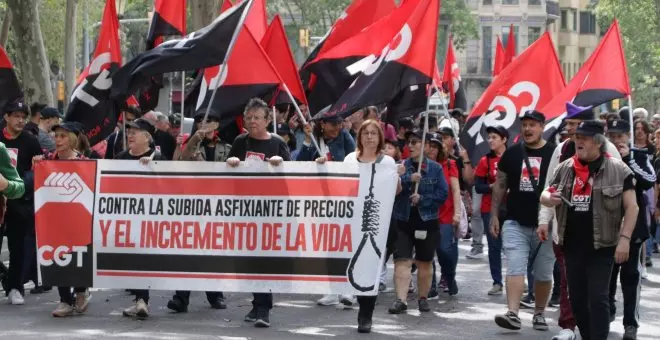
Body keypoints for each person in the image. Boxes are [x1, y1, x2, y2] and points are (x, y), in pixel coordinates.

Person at [540, 120, 638, 340]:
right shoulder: (565, 168)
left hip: (603, 245)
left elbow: (632, 207)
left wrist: (625, 239)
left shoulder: (619, 169)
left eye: (583, 138)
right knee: (577, 300)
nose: (578, 142)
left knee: (598, 297)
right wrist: (549, 199)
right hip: (572, 245)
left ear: (597, 142)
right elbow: (545, 194)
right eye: (577, 138)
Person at [321, 119, 401, 333]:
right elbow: (340, 187)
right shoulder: (350, 159)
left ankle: (366, 314)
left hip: (380, 225)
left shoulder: (388, 163)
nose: (369, 137)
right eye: (365, 132)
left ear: (380, 137)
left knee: (372, 269)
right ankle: (348, 293)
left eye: (374, 133)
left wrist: (398, 178)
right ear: (360, 136)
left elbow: (395, 192)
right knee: (354, 263)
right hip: (354, 222)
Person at [226, 98, 291, 328]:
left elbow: (292, 175)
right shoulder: (240, 142)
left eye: (257, 117)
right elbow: (228, 174)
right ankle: (256, 304)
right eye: (249, 117)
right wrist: (231, 162)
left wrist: (280, 164)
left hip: (270, 212)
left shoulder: (277, 143)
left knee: (265, 260)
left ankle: (264, 309)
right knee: (250, 262)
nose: (252, 121)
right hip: (245, 211)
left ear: (267, 120)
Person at [490, 110, 555, 332]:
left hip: (546, 225)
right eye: (524, 125)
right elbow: (500, 185)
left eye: (532, 125)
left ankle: (539, 313)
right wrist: (494, 216)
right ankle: (513, 313)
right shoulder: (511, 154)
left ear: (542, 127)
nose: (527, 129)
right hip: (515, 222)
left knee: (544, 273)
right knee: (515, 266)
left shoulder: (555, 154)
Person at [167, 109, 228, 312]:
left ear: (217, 125)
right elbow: (178, 165)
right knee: (188, 252)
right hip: (192, 206)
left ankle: (215, 295)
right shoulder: (190, 145)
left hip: (218, 207)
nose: (206, 125)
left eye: (210, 121)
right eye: (201, 121)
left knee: (213, 253)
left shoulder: (227, 148)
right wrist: (193, 140)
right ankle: (181, 298)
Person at [32, 122, 90, 317]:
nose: (57, 140)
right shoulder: (47, 160)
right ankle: (65, 299)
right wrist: (36, 163)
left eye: (62, 136)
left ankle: (81, 291)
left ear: (72, 139)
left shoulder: (84, 161)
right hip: (55, 219)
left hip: (78, 218)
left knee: (78, 255)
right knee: (57, 256)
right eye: (56, 136)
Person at [388, 128, 448, 315]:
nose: (411, 146)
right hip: (403, 220)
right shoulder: (400, 166)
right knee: (401, 260)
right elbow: (390, 188)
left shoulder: (436, 169)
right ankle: (401, 300)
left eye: (415, 142)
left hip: (427, 221)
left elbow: (442, 194)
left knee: (424, 262)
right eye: (409, 142)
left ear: (426, 146)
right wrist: (406, 178)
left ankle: (423, 298)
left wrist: (422, 198)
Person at [606, 119, 656, 340]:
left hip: (632, 228)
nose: (617, 141)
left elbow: (649, 181)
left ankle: (630, 324)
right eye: (613, 136)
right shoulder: (603, 157)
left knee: (630, 278)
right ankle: (607, 311)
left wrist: (628, 159)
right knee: (606, 276)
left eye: (621, 136)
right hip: (606, 226)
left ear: (628, 136)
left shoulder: (639, 156)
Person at [120, 118, 168, 319]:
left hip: (151, 219)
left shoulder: (159, 158)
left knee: (144, 258)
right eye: (129, 131)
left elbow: (170, 188)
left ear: (147, 137)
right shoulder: (120, 158)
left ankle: (142, 300)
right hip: (126, 218)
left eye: (135, 132)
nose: (130, 135)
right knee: (132, 259)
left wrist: (155, 167)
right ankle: (140, 299)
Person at [0, 100, 43, 305]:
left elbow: (38, 171)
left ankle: (15, 287)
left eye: (23, 117)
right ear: (6, 117)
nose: (20, 120)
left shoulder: (30, 141)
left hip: (20, 200)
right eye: (16, 116)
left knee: (18, 247)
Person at [474, 125, 508, 296]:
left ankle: (519, 280)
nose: (490, 140)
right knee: (494, 246)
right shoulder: (485, 161)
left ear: (504, 139)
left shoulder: (514, 157)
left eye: (494, 137)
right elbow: (478, 187)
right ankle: (497, 282)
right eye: (489, 137)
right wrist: (492, 186)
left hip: (512, 208)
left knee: (513, 246)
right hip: (490, 209)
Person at [430, 132, 462, 296]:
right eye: (430, 145)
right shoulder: (421, 164)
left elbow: (456, 190)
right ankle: (431, 285)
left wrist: (457, 213)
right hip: (427, 213)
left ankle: (449, 277)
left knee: (444, 250)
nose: (433, 150)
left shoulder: (449, 164)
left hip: (447, 214)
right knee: (428, 251)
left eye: (436, 146)